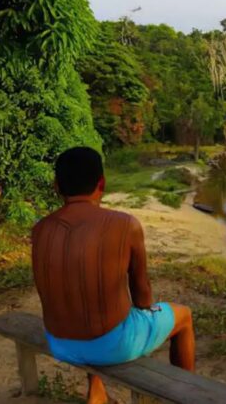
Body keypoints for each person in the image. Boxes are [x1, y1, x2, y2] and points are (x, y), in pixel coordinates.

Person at [31, 147, 195, 404]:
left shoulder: (40, 229)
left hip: (60, 343)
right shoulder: (124, 224)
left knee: (88, 305)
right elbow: (142, 297)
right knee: (183, 316)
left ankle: (96, 392)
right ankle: (187, 394)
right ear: (102, 183)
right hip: (113, 345)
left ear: (56, 185)